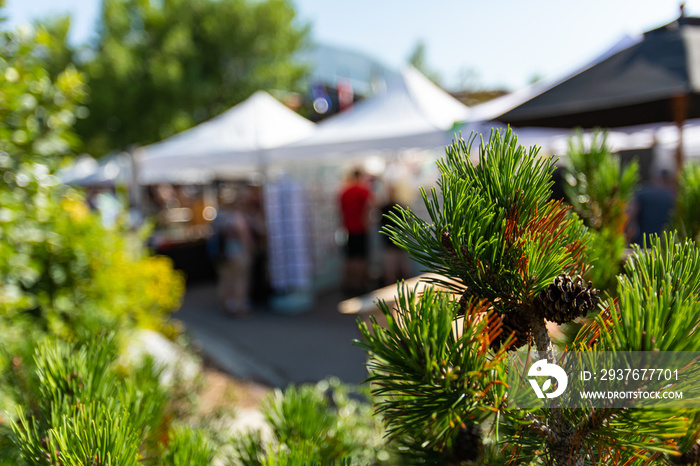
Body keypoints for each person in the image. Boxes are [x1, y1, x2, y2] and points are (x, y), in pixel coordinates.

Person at [216, 188, 255, 317]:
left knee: (227, 279)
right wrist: (250, 250)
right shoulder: (238, 217)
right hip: (238, 253)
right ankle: (239, 305)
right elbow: (245, 237)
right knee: (240, 280)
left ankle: (228, 304)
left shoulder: (222, 217)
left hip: (224, 254)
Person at [339, 168, 373, 294]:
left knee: (349, 257)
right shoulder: (362, 190)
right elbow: (370, 206)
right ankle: (360, 285)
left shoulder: (344, 192)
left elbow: (340, 211)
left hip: (347, 228)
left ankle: (350, 284)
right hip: (360, 228)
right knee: (360, 258)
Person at [380, 185, 411, 286]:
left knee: (400, 268)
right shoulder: (385, 207)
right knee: (392, 269)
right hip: (391, 241)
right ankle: (393, 288)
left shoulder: (396, 207)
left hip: (398, 241)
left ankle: (402, 288)